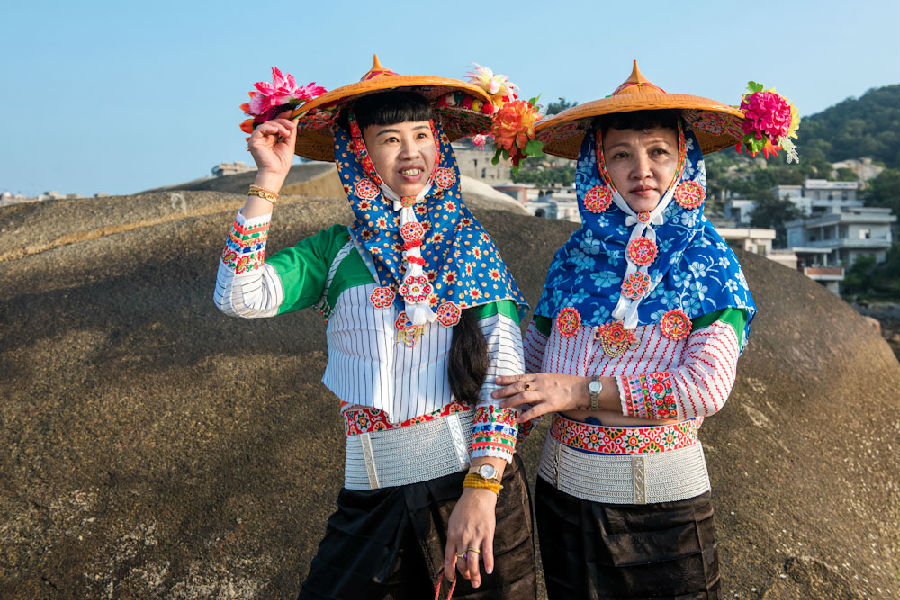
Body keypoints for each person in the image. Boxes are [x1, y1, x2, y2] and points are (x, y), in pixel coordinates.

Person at [215, 56, 537, 599]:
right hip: (368, 497)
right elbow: (237, 296)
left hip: (469, 494)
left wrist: (482, 491)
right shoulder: (336, 252)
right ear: (359, 153)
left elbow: (503, 374)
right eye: (390, 139)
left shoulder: (470, 244)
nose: (411, 152)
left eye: (421, 135)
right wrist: (270, 178)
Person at [492, 62, 799, 598]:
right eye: (621, 155)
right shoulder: (572, 261)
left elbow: (704, 387)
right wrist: (479, 475)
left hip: (665, 509)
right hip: (563, 498)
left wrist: (581, 390)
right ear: (599, 168)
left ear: (684, 159)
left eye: (658, 151)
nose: (642, 170)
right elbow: (530, 373)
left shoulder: (709, 261)